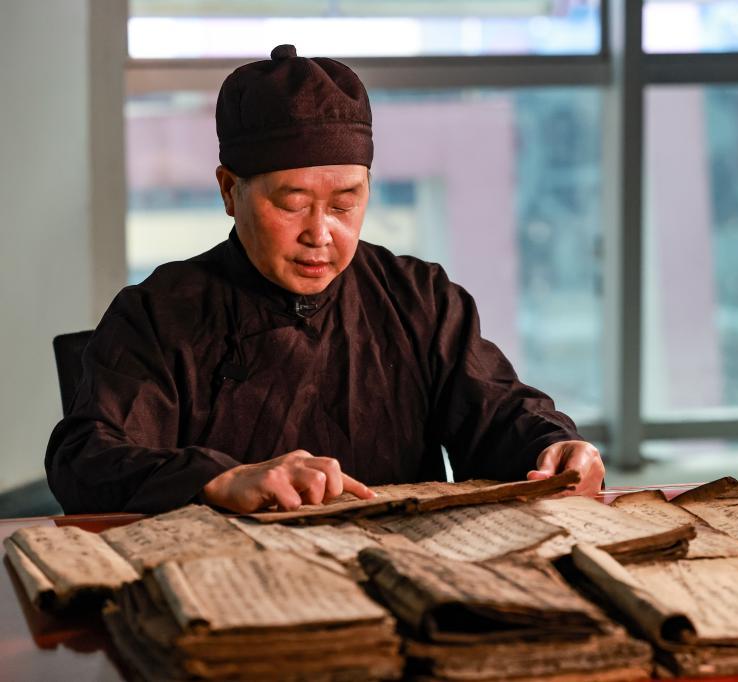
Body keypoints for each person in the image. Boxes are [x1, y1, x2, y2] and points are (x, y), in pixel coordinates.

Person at [45, 45, 604, 515]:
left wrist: (555, 446)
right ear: (229, 190)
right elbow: (86, 456)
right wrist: (217, 478)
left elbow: (499, 413)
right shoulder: (159, 313)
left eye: (344, 204)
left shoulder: (419, 299)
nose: (320, 233)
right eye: (292, 204)